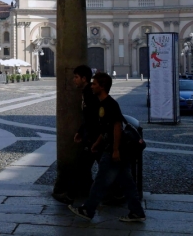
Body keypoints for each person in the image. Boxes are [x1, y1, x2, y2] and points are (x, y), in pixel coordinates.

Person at [69, 72, 146, 223]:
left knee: (100, 181)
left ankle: (88, 209)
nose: (92, 86)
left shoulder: (109, 104)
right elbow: (106, 128)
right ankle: (137, 212)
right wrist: (97, 143)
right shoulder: (102, 104)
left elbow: (117, 127)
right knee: (127, 182)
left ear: (102, 87)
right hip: (115, 148)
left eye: (95, 84)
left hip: (114, 149)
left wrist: (115, 150)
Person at [53, 65, 97, 205]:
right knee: (92, 168)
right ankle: (108, 193)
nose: (74, 80)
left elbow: (92, 117)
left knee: (81, 167)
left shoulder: (90, 93)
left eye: (76, 77)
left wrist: (88, 135)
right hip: (92, 136)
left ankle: (71, 196)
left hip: (94, 138)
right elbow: (87, 116)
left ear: (84, 78)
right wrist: (80, 131)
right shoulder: (86, 92)